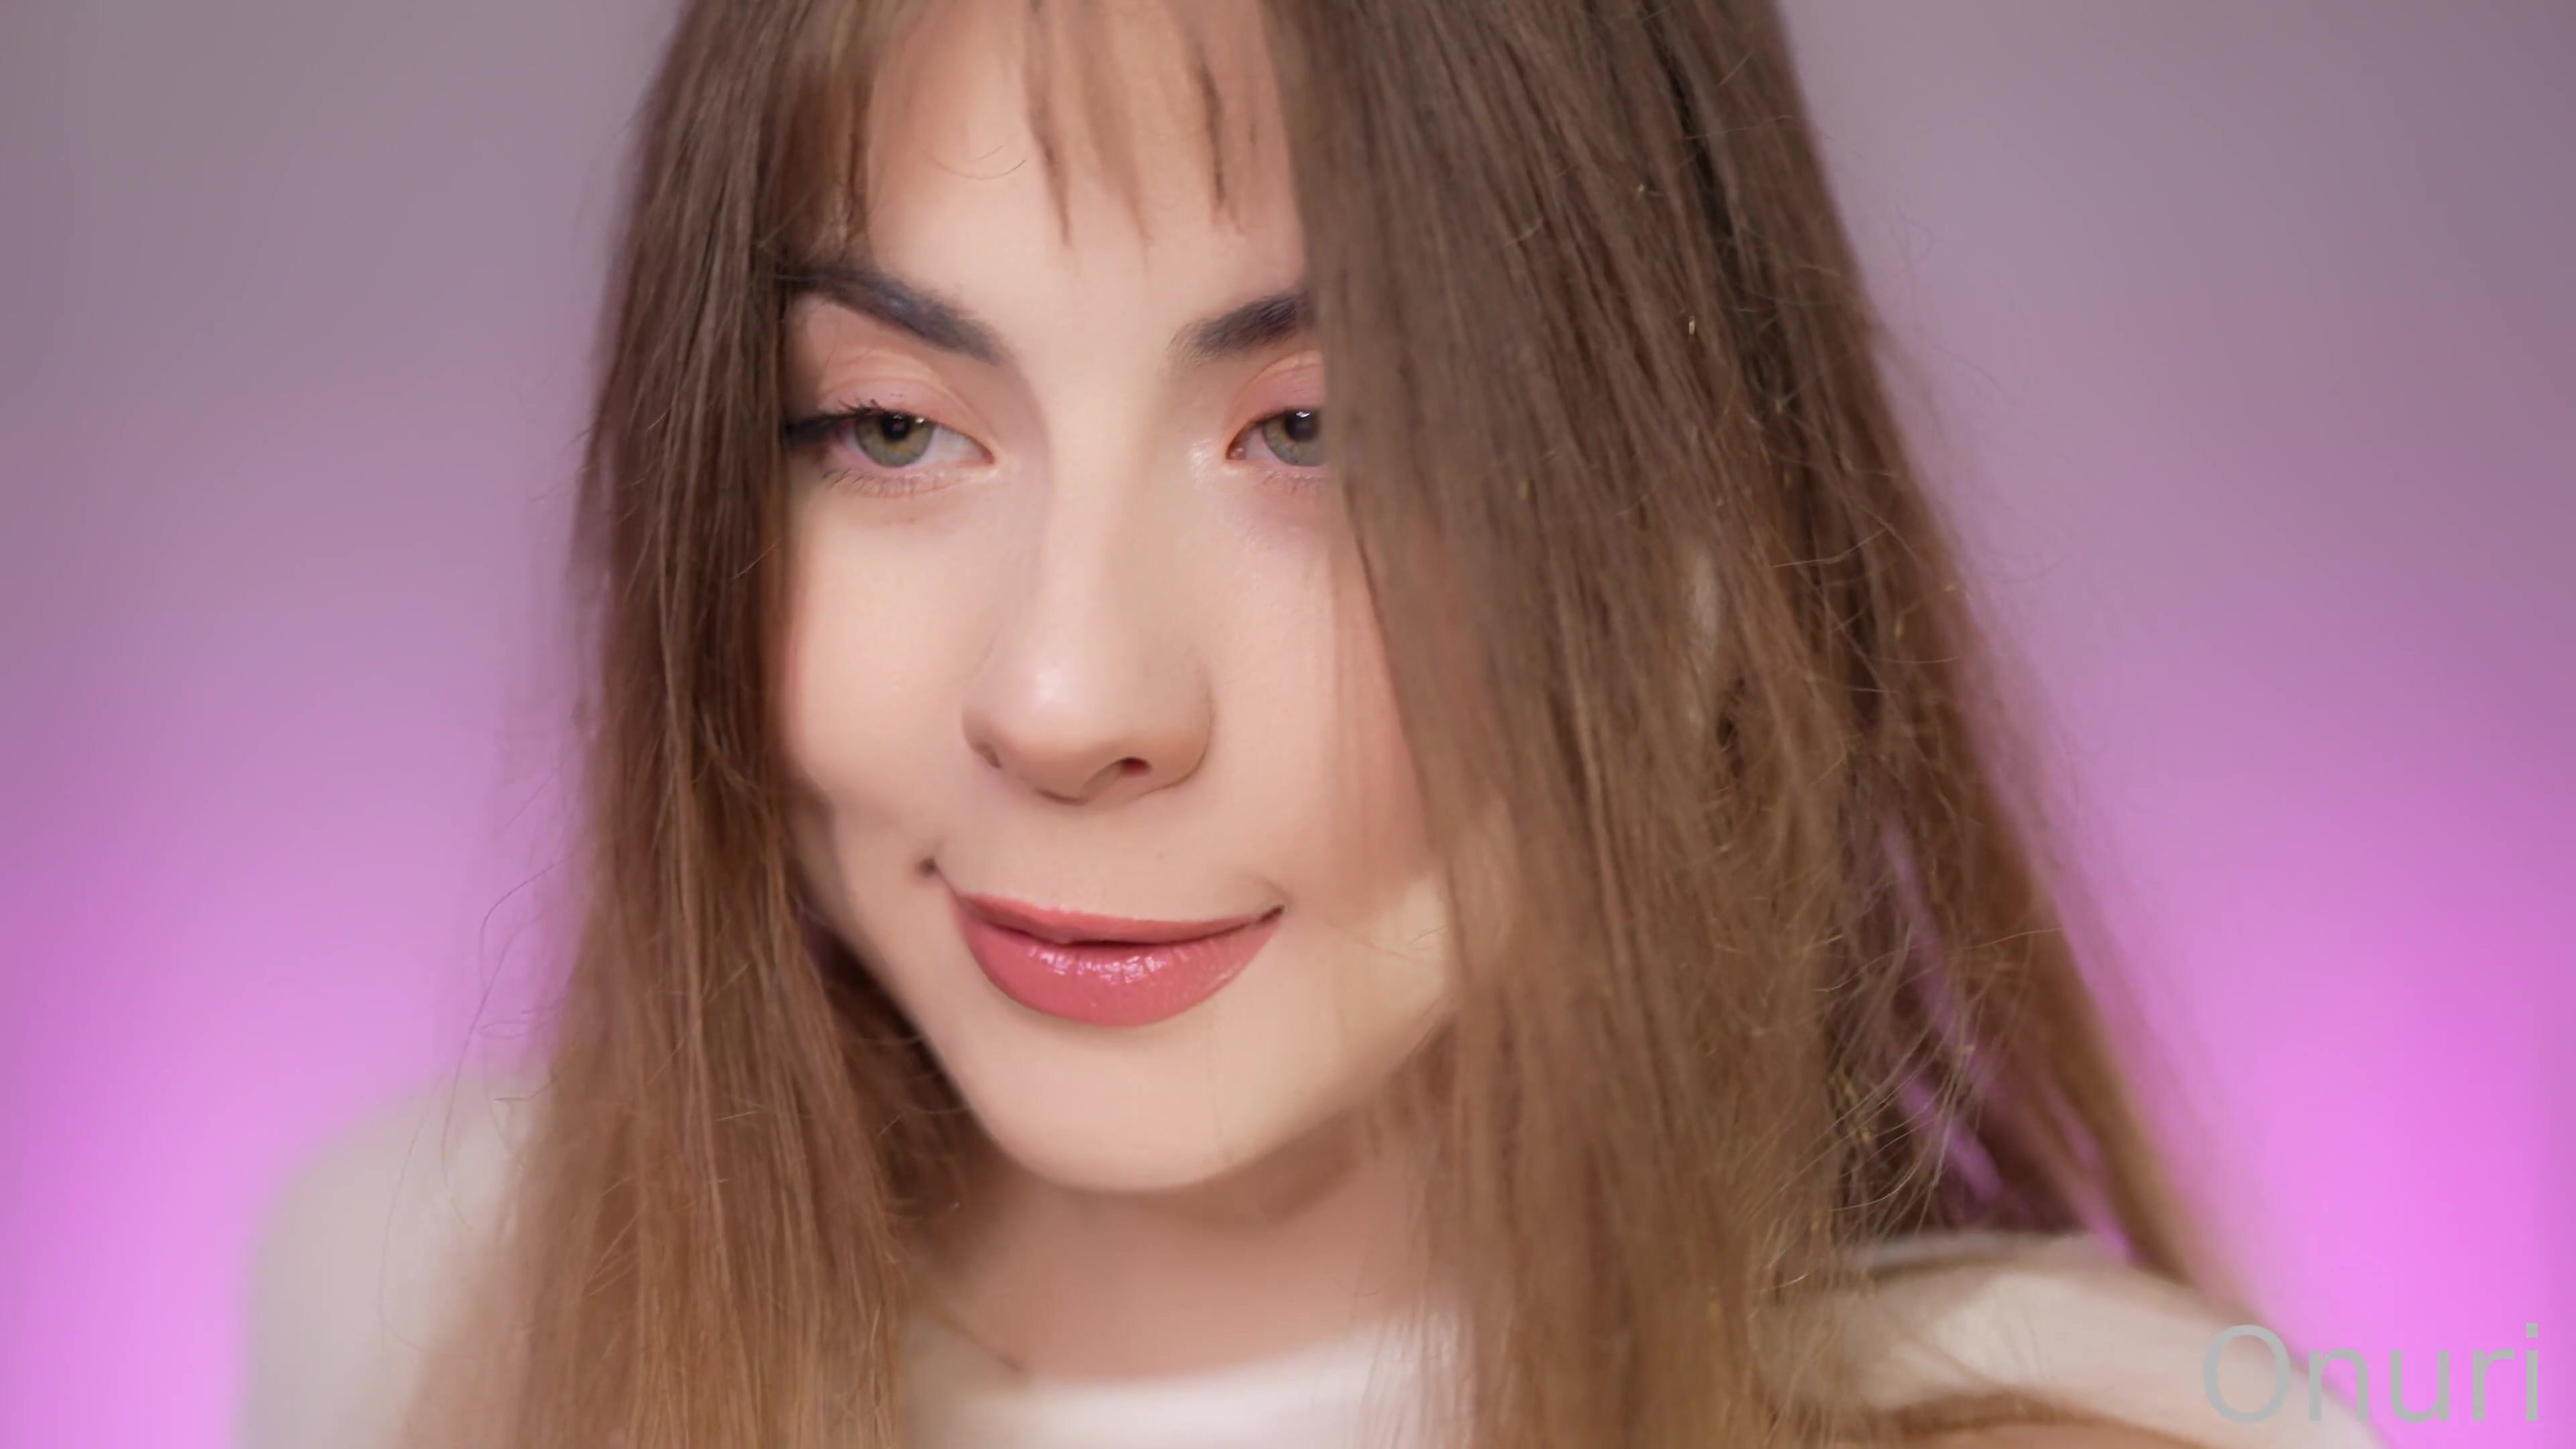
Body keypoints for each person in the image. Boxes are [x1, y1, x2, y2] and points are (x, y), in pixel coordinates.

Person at [242, 2, 2386, 1446]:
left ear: (1706, 539)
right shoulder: (447, 1301)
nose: (1068, 701)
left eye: (1321, 433)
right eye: (890, 427)